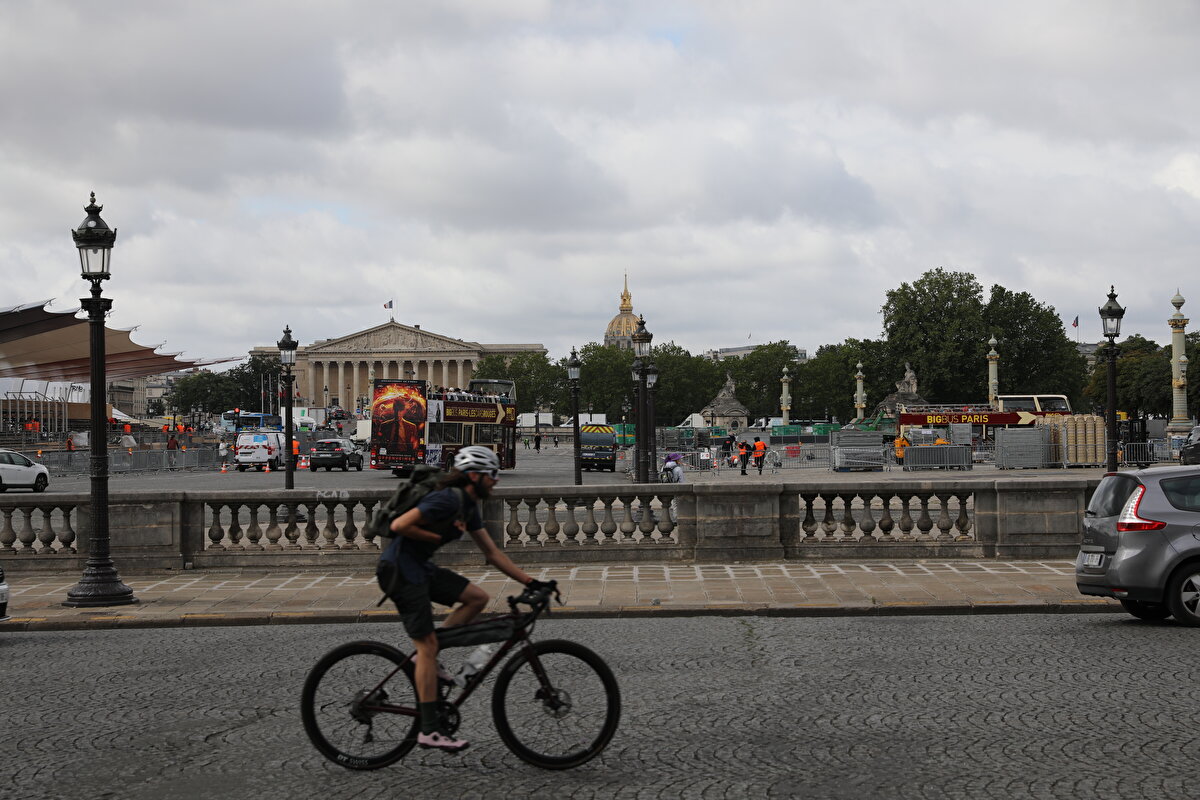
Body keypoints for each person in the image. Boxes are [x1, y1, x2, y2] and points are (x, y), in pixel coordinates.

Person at [380, 446, 539, 753]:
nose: (496, 481)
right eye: (492, 475)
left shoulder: (468, 505)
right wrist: (437, 538)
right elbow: (399, 526)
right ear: (474, 476)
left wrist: (533, 582)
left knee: (477, 598)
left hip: (419, 567)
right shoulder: (445, 499)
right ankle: (429, 730)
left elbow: (492, 554)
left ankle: (426, 656)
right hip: (400, 569)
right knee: (425, 645)